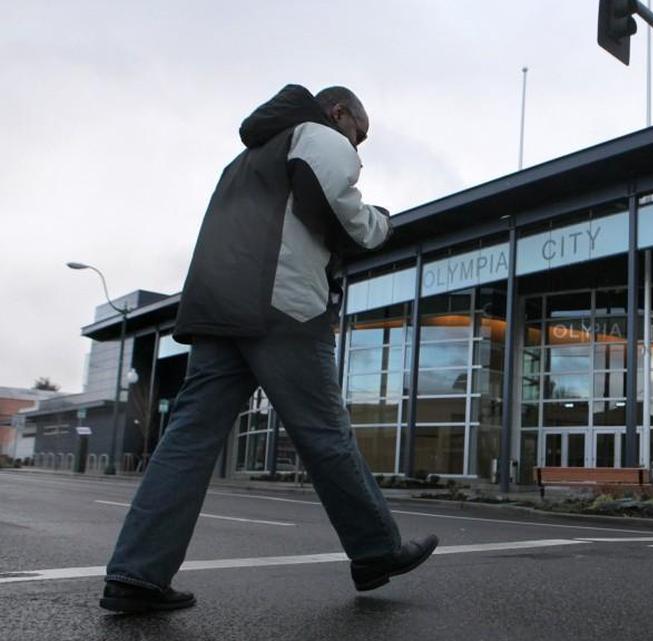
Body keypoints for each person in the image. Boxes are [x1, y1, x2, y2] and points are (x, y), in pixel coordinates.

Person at [99, 85, 437, 614]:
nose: (358, 148)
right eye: (360, 134)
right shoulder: (318, 136)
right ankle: (377, 551)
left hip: (217, 308)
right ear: (339, 112)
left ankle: (135, 574)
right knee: (325, 433)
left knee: (188, 439)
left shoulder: (246, 159)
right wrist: (380, 222)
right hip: (281, 305)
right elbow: (339, 207)